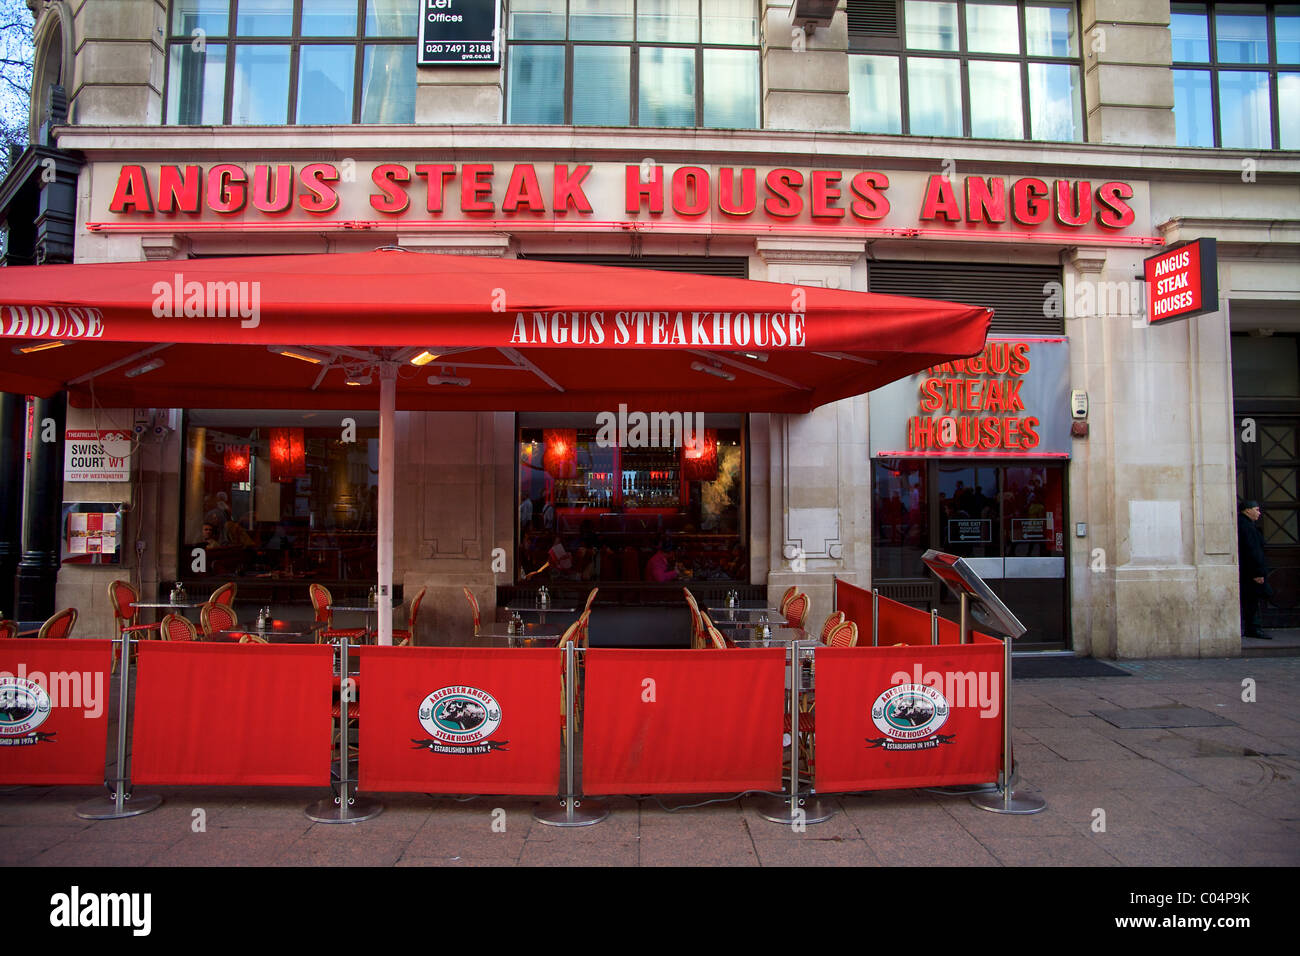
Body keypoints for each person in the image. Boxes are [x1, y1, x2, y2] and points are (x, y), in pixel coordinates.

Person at [1237, 499, 1271, 639]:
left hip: (1248, 570)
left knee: (1251, 600)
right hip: (1250, 572)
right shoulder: (1246, 526)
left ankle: (1253, 627)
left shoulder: (1246, 524)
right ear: (1247, 510)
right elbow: (1252, 551)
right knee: (1251, 600)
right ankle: (1253, 628)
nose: (1259, 513)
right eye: (1256, 509)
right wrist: (1258, 572)